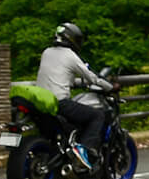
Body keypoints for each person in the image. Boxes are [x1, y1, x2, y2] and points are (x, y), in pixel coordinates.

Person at [36, 21, 115, 170]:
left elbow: (59, 73)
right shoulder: (70, 56)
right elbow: (92, 77)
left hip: (41, 101)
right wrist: (111, 87)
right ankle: (83, 149)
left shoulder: (46, 52)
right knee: (97, 116)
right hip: (60, 102)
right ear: (71, 39)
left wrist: (73, 83)